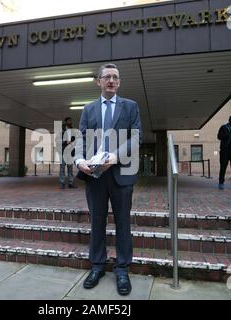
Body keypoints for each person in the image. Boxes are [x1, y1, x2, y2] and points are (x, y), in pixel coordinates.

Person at [75, 63, 142, 296]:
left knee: (123, 222)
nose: (111, 80)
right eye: (107, 77)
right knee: (97, 222)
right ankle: (97, 266)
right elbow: (80, 140)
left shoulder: (131, 107)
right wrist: (79, 160)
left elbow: (136, 138)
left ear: (119, 82)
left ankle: (122, 269)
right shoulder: (88, 109)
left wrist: (115, 156)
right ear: (99, 81)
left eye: (115, 77)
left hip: (121, 173)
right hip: (94, 176)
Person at [58, 117, 77, 189]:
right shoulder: (61, 130)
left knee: (70, 169)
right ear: (65, 122)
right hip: (62, 152)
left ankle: (70, 183)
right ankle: (62, 184)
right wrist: (65, 142)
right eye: (69, 121)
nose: (70, 122)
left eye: (71, 121)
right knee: (62, 169)